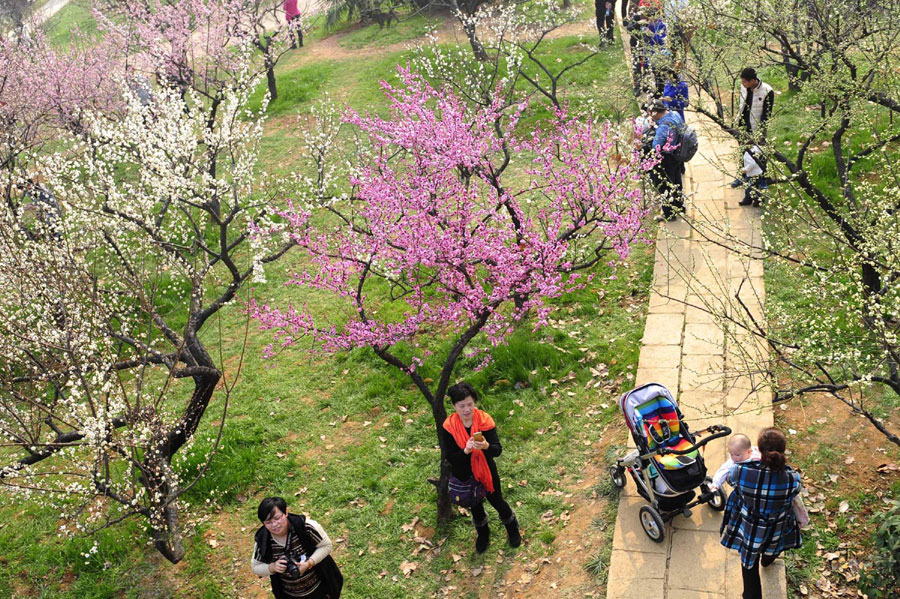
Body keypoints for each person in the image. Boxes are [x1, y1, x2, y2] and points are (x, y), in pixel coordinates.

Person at [720, 428, 803, 599]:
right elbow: (795, 493)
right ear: (782, 451)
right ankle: (767, 559)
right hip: (776, 526)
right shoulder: (792, 478)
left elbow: (730, 480)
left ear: (758, 449)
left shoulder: (741, 471)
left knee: (749, 564)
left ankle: (751, 595)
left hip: (750, 527)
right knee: (772, 546)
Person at [440, 382, 521, 554]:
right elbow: (451, 458)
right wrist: (466, 451)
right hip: (464, 474)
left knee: (497, 500)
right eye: (462, 406)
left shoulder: (484, 421)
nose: (467, 409)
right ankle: (483, 534)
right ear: (454, 406)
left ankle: (512, 527)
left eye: (470, 404)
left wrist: (485, 446)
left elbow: (497, 450)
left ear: (474, 402)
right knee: (475, 506)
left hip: (486, 471)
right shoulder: (449, 427)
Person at [252, 497, 343, 599]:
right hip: (289, 594)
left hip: (319, 587)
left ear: (286, 513)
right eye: (268, 522)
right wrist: (272, 567)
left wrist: (309, 563)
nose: (274, 525)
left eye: (277, 518)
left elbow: (326, 546)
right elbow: (255, 567)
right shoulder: (263, 540)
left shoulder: (306, 527)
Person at [732, 67, 774, 187]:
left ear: (753, 80)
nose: (742, 84)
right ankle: (742, 176)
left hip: (757, 128)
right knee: (743, 152)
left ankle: (763, 179)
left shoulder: (767, 91)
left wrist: (761, 132)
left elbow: (767, 114)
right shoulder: (743, 88)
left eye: (745, 81)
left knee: (760, 153)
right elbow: (741, 106)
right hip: (743, 126)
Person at [647, 99, 685, 221]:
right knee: (677, 182)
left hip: (667, 158)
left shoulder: (664, 126)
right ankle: (680, 206)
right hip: (677, 153)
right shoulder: (675, 115)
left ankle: (669, 214)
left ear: (656, 113)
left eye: (651, 113)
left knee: (665, 185)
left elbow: (656, 146)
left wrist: (653, 130)